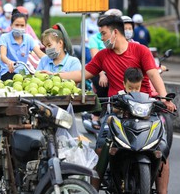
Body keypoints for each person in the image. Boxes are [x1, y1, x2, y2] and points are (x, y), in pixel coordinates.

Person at [42, 15, 176, 194]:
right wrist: (52, 76)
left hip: (146, 111)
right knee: (102, 148)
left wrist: (165, 98)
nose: (102, 38)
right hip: (116, 112)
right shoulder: (103, 56)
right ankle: (92, 190)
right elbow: (82, 74)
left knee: (161, 150)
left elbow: (153, 75)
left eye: (103, 34)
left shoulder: (140, 50)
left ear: (114, 33)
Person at [0, 9, 45, 81]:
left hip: (23, 73)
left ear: (25, 26)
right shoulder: (4, 37)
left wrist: (51, 61)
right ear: (11, 25)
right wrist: (9, 62)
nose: (19, 28)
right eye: (17, 25)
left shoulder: (28, 38)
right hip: (8, 71)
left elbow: (39, 53)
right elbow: (2, 56)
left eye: (22, 25)